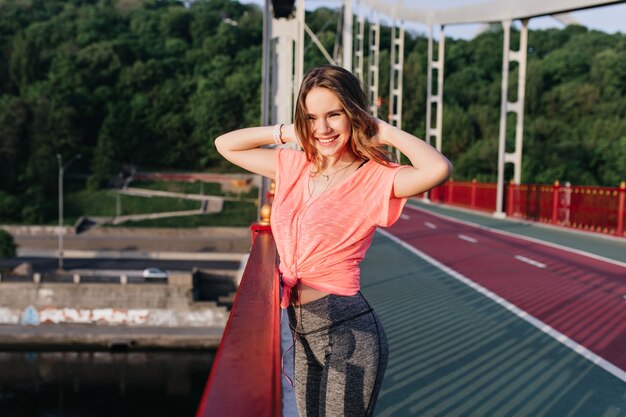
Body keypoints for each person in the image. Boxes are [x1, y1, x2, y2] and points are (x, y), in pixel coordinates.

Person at [215, 65, 451, 417]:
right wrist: (287, 131)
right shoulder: (295, 165)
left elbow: (438, 169)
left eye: (334, 115)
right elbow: (225, 145)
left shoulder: (374, 178)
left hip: (348, 332)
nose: (322, 128)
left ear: (354, 114)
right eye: (312, 117)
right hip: (302, 330)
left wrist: (381, 130)